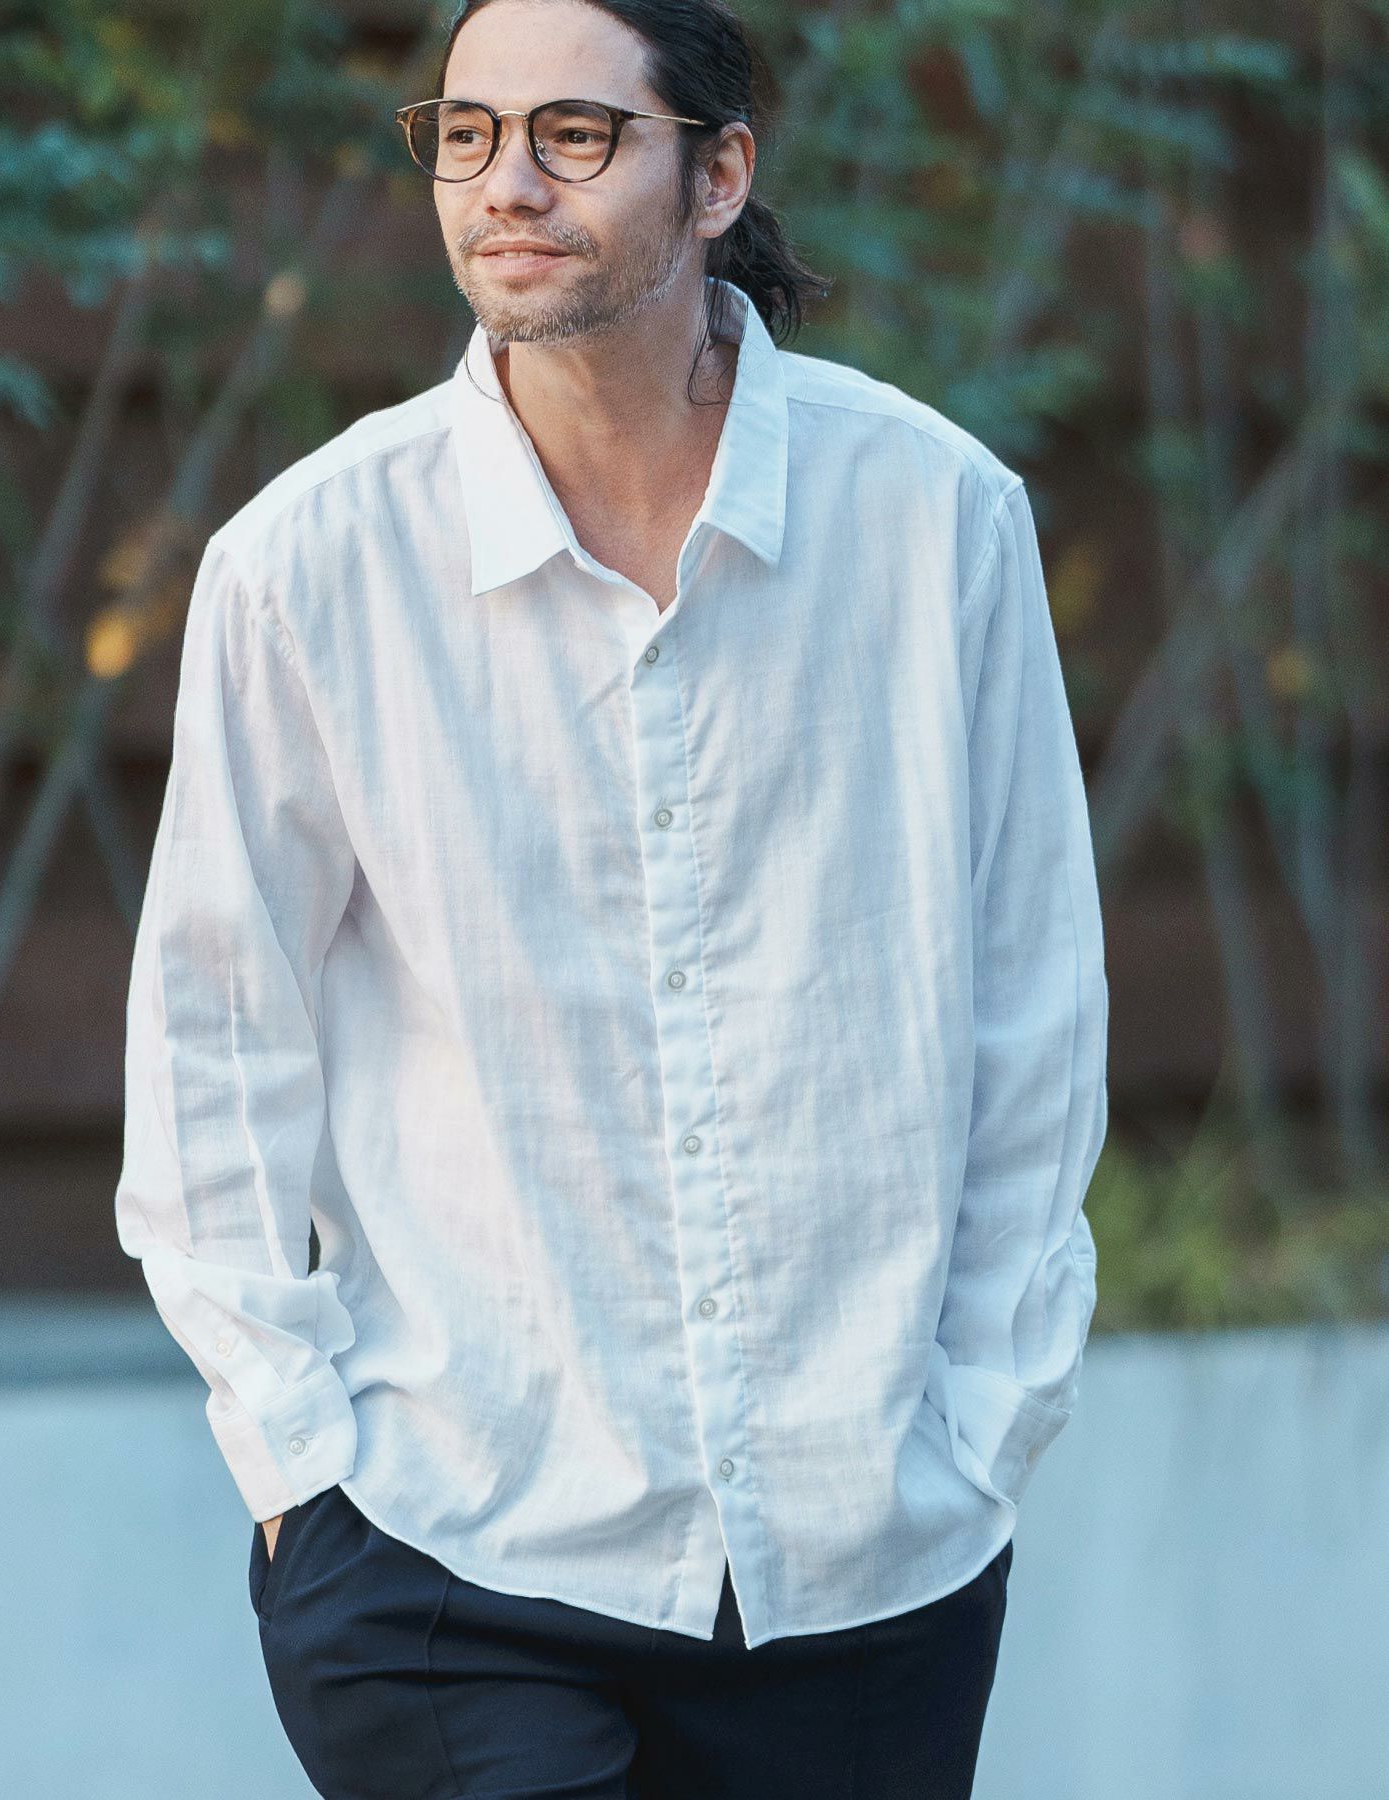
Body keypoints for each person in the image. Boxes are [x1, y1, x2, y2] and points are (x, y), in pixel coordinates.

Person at [114, 1, 1108, 1794]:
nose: (506, 183)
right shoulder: (306, 568)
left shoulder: (937, 520)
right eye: (467, 133)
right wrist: (295, 1471)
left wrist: (983, 1424)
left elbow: (1033, 1001)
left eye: (574, 134)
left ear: (718, 175)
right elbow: (212, 1049)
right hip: (450, 1546)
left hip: (863, 1562)